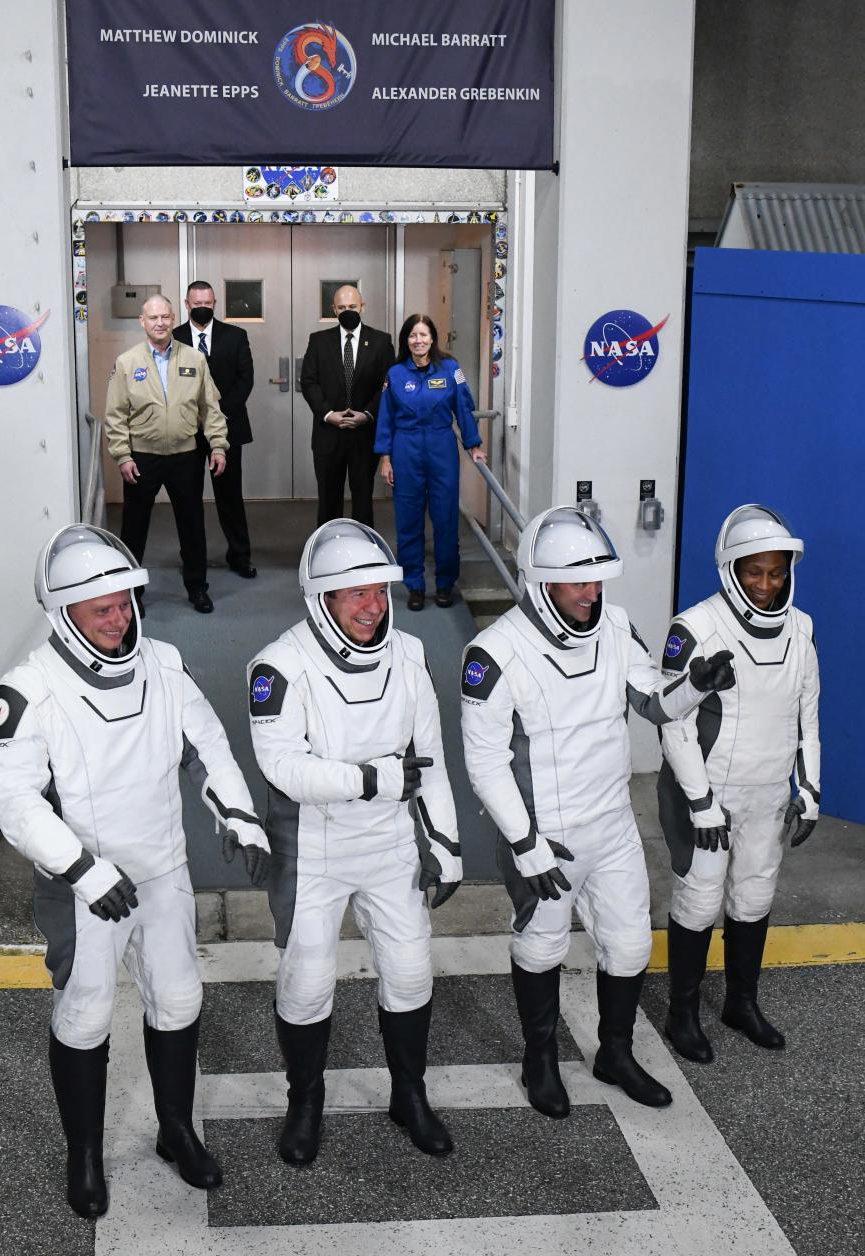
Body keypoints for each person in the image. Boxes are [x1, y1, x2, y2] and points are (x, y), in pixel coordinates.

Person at [0, 525, 269, 1218]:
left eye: (124, 603)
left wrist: (240, 815)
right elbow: (14, 802)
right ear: (64, 615)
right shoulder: (27, 692)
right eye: (100, 609)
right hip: (84, 887)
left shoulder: (166, 664)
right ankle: (84, 1155)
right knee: (84, 1015)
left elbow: (210, 745)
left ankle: (175, 1131)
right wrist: (83, 870)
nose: (118, 619)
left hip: (162, 867)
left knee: (178, 1001)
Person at [460, 506, 736, 1116]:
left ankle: (615, 1053)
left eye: (598, 580)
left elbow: (653, 702)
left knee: (631, 945)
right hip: (546, 839)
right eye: (579, 581)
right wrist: (524, 843)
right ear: (541, 581)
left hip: (612, 825)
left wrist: (696, 684)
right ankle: (540, 1062)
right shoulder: (493, 652)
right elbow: (485, 764)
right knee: (541, 948)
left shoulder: (615, 625)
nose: (593, 593)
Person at [247, 520, 462, 1167]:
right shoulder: (279, 667)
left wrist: (446, 842)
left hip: (391, 844)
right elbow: (282, 768)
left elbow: (431, 757)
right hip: (314, 850)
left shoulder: (411, 653)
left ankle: (409, 1094)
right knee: (308, 981)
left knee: (409, 972)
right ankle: (305, 1101)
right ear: (322, 601)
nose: (373, 607)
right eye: (355, 595)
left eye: (379, 592)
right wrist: (371, 779)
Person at [657, 504, 820, 1061]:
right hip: (712, 795)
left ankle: (740, 1002)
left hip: (770, 790)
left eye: (776, 572)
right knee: (700, 902)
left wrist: (810, 790)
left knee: (753, 895)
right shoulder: (695, 627)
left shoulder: (801, 629)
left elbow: (808, 717)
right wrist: (700, 804)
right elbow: (672, 725)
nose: (767, 585)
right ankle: (682, 1012)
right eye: (755, 572)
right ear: (731, 570)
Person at [105, 293, 228, 614]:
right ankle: (131, 593)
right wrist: (123, 456)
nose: (160, 323)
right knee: (134, 529)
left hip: (185, 457)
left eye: (165, 317)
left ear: (174, 319)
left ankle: (197, 587)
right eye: (153, 318)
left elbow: (210, 409)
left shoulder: (194, 359)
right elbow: (115, 415)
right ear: (142, 322)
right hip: (141, 459)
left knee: (192, 526)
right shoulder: (127, 363)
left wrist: (218, 445)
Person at [375, 314, 486, 611]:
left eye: (424, 335)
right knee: (408, 521)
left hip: (441, 448)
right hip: (406, 449)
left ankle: (445, 583)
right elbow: (386, 419)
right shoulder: (395, 374)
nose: (418, 340)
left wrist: (473, 444)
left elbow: (463, 406)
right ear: (406, 340)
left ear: (433, 338)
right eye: (413, 335)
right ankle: (414, 584)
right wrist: (385, 459)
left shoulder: (451, 369)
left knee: (445, 519)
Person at [173, 280, 257, 579]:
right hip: (186, 432)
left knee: (230, 497)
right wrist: (195, 416)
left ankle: (240, 556)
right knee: (188, 498)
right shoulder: (174, 337)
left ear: (215, 303)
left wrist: (216, 413)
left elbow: (245, 380)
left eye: (208, 303)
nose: (203, 308)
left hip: (229, 428)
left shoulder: (236, 336)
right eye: (197, 304)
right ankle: (192, 556)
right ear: (186, 304)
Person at [300, 285, 395, 527]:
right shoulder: (318, 341)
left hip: (364, 434)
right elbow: (309, 381)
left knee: (363, 499)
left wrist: (368, 414)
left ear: (362, 306)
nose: (347, 311)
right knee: (328, 499)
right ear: (333, 309)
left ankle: (364, 554)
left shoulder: (381, 341)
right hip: (328, 434)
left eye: (352, 306)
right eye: (341, 307)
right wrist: (327, 413)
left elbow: (387, 384)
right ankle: (328, 551)